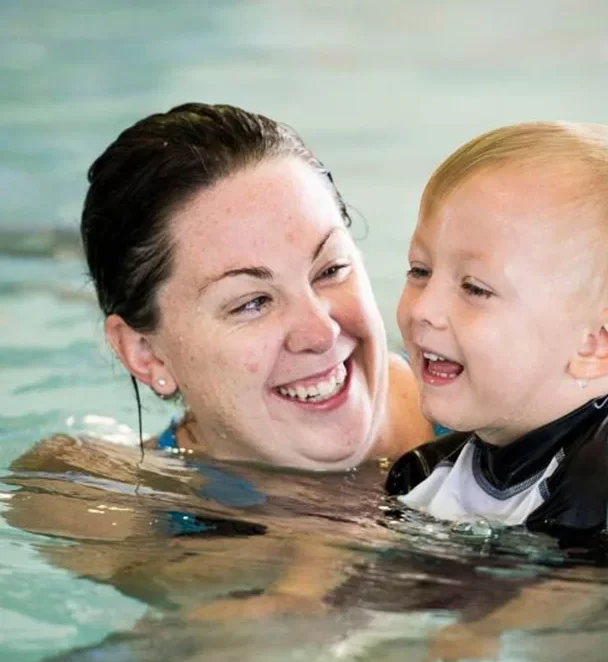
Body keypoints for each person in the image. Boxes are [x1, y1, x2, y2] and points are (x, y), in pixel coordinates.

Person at [77, 101, 434, 471]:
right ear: (145, 353)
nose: (322, 332)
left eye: (330, 270)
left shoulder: (488, 418)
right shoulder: (116, 506)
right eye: (253, 302)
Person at [387, 121, 608, 540]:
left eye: (475, 288)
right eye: (420, 271)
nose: (423, 308)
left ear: (597, 343)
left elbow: (575, 604)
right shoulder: (426, 471)